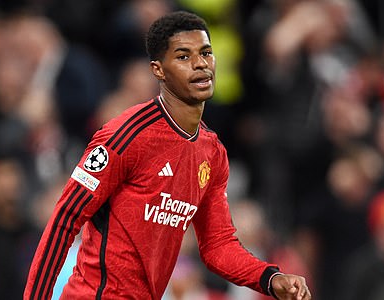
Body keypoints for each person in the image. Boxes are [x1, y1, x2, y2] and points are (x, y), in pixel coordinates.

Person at [24, 11, 311, 300]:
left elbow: (218, 245)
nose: (200, 64)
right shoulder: (126, 135)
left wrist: (270, 278)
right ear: (158, 70)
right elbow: (66, 216)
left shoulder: (212, 153)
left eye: (206, 53)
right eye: (184, 56)